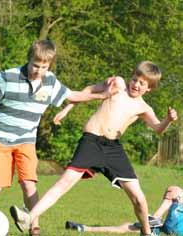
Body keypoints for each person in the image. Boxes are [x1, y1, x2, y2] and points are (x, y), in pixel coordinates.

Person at [0, 40, 115, 236]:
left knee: (29, 184)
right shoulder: (9, 76)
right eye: (35, 65)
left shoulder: (50, 81)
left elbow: (73, 95)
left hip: (26, 141)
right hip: (0, 140)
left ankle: (34, 228)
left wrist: (102, 95)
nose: (38, 71)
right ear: (29, 59)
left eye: (44, 67)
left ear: (49, 65)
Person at [10, 60, 178, 236]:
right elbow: (89, 90)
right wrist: (67, 109)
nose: (135, 84)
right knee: (64, 183)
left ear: (149, 88)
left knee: (139, 199)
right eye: (135, 79)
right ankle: (29, 217)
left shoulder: (144, 107)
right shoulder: (118, 84)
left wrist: (168, 120)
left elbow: (158, 128)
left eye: (142, 83)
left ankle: (146, 232)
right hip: (90, 143)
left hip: (113, 149)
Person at [65, 185, 183, 236]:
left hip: (175, 226)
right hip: (173, 227)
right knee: (128, 227)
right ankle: (84, 228)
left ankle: (154, 219)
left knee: (175, 190)